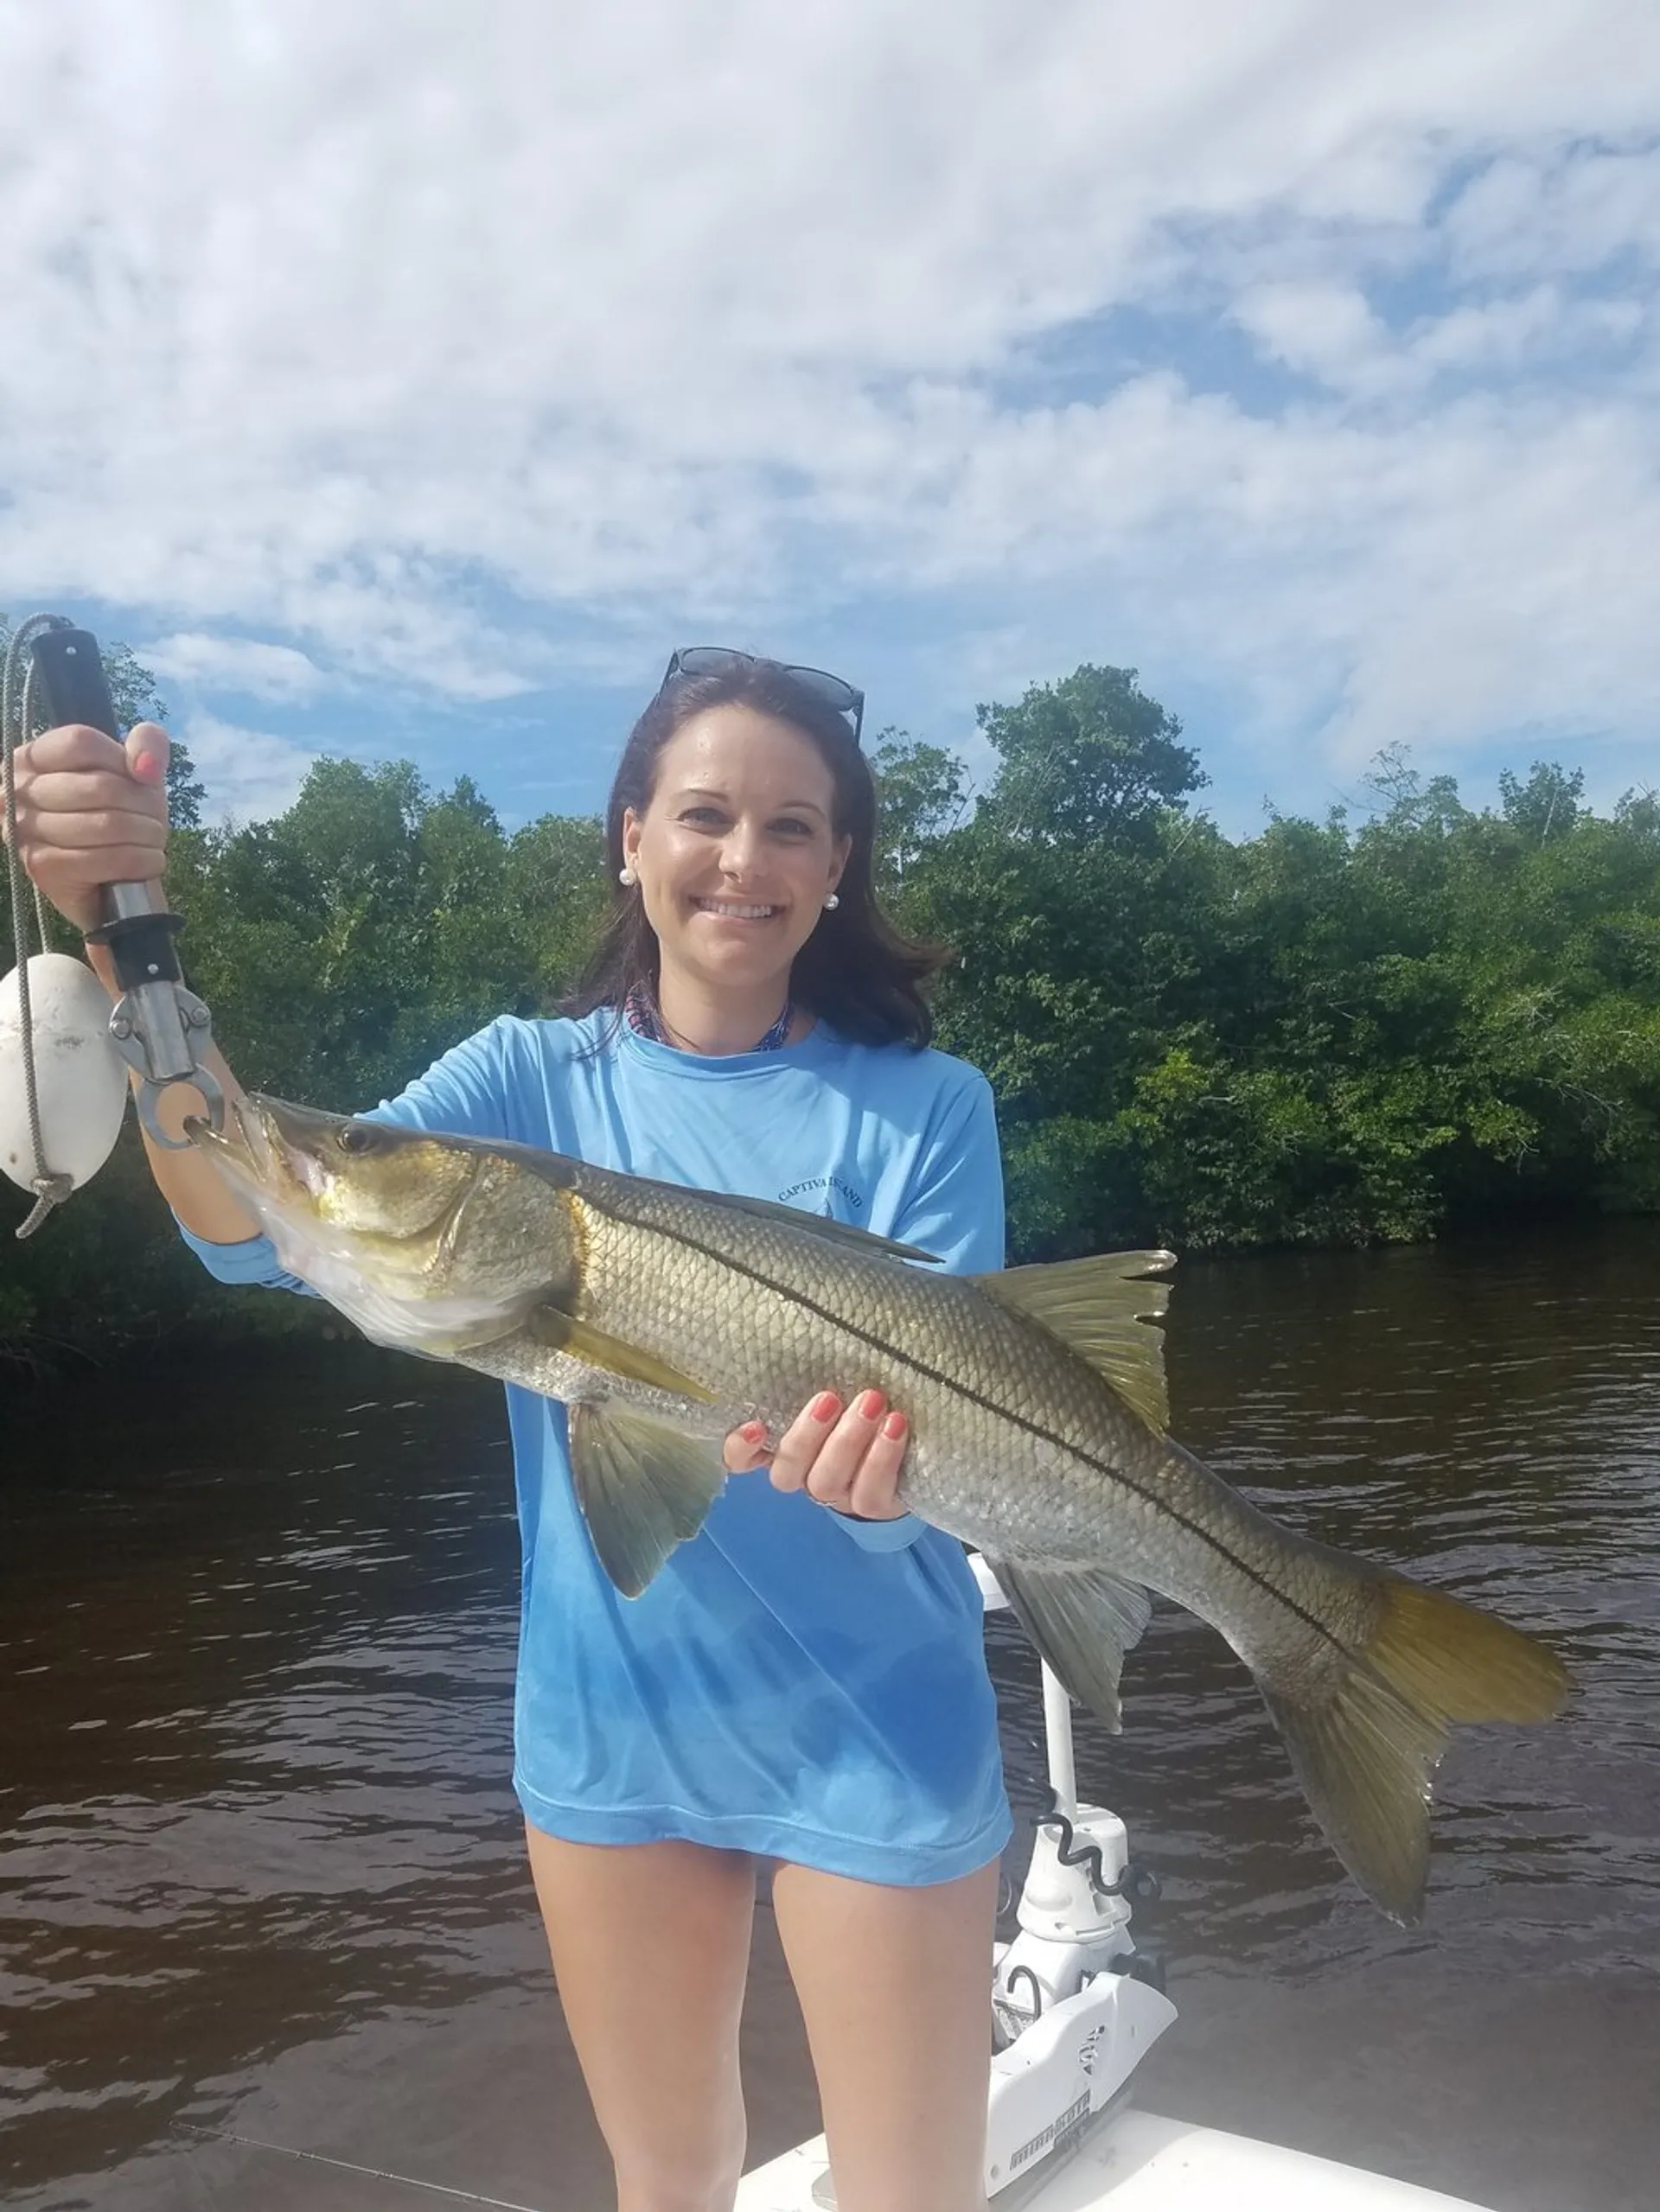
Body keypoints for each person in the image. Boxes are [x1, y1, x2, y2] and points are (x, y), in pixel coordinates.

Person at [9, 649, 1012, 2212]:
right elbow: (242, 1211)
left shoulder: (926, 1103)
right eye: (704, 813)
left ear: (838, 867)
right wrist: (126, 942)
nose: (743, 859)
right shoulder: (521, 1084)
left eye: (794, 826)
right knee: (667, 2183)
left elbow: (955, 1434)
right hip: (617, 1732)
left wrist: (881, 1490)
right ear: (628, 836)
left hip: (880, 1722)